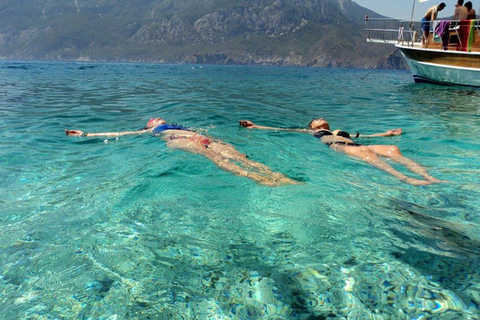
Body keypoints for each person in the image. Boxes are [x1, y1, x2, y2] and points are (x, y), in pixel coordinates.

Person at [66, 117, 299, 187]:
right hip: (179, 141)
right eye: (153, 120)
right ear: (149, 125)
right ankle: (258, 179)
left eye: (158, 118)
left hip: (198, 136)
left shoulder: (176, 124)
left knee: (239, 155)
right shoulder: (154, 130)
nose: (157, 119)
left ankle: (277, 176)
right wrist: (86, 134)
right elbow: (122, 133)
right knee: (214, 156)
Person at [239, 118, 445, 186]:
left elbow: (364, 137)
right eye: (316, 119)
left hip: (353, 143)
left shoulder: (340, 130)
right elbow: (281, 130)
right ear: (312, 126)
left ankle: (426, 175)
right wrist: (256, 126)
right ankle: (406, 179)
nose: (320, 118)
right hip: (338, 147)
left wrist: (387, 134)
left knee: (393, 149)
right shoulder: (315, 132)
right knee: (367, 154)